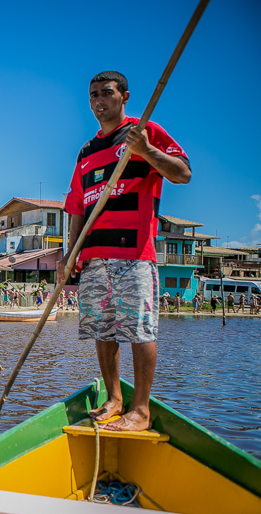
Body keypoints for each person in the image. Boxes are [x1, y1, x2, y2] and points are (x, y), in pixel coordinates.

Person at [57, 71, 191, 432]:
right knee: (102, 331)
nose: (99, 101)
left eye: (107, 93)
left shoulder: (145, 130)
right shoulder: (86, 151)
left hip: (133, 253)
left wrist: (146, 151)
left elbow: (182, 173)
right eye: (93, 96)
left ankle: (141, 410)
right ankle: (115, 399)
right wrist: (69, 255)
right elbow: (76, 208)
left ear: (124, 96)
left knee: (139, 330)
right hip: (93, 257)